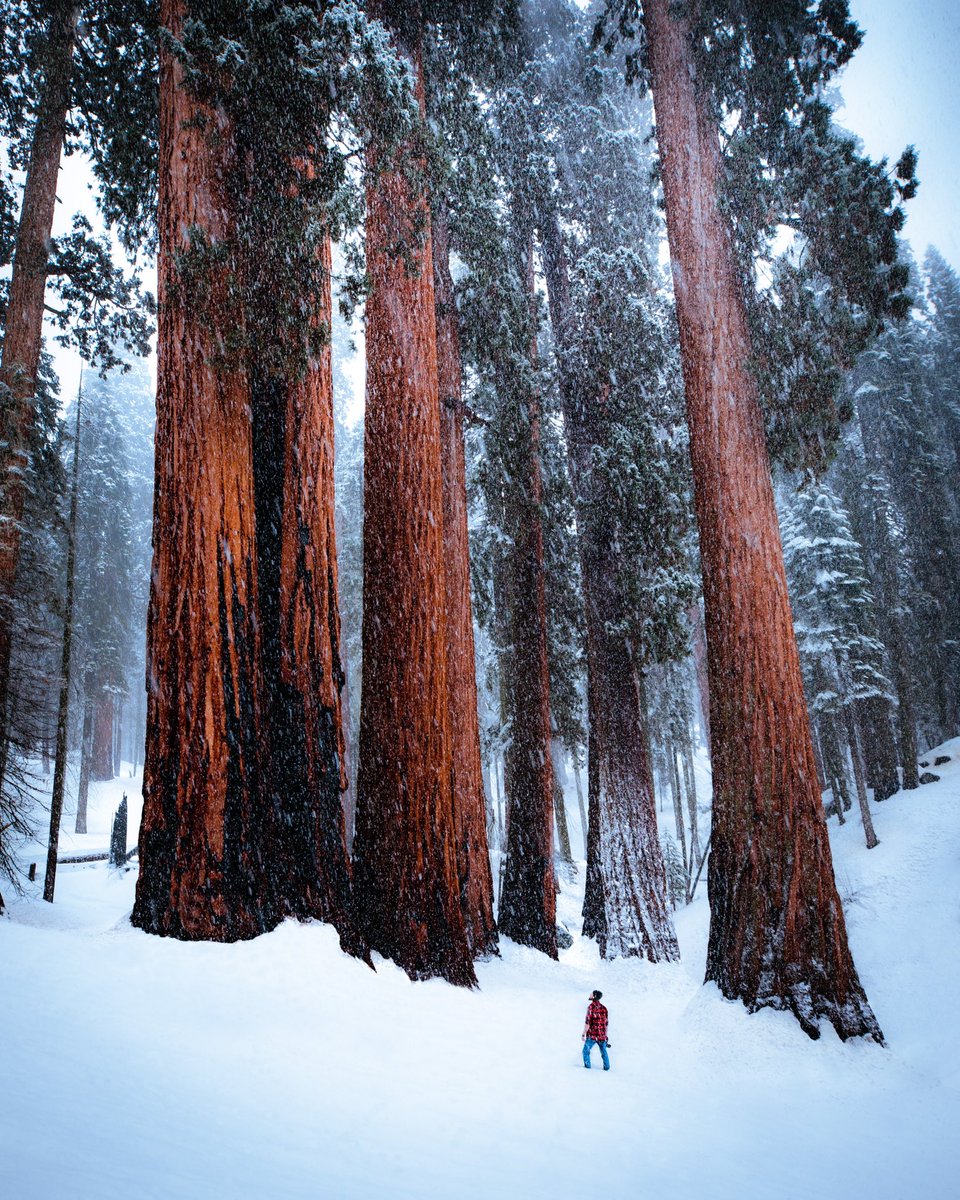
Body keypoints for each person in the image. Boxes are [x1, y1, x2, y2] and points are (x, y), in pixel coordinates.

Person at [582, 989, 610, 1070]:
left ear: (594, 996)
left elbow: (587, 1023)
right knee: (604, 1052)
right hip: (602, 1036)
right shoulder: (604, 1008)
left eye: (591, 994)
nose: (590, 995)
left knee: (585, 1051)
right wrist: (605, 1036)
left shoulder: (591, 1007)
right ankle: (607, 1068)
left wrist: (583, 1034)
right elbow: (606, 1024)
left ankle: (587, 1068)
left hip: (592, 1035)